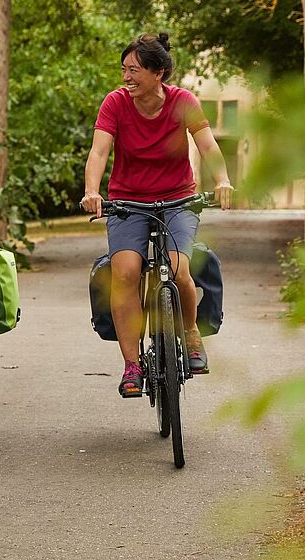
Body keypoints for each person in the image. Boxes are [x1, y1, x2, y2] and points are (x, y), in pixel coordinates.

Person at [80, 32, 233, 398]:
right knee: (126, 271)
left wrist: (223, 179)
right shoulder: (115, 103)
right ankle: (132, 365)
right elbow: (100, 151)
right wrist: (91, 190)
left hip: (177, 200)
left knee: (179, 268)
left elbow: (207, 144)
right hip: (127, 202)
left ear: (158, 72)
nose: (126, 77)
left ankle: (192, 334)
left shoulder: (183, 102)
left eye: (133, 70)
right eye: (124, 70)